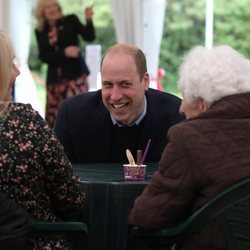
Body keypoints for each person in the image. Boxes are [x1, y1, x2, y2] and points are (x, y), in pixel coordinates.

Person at [128, 45, 250, 250]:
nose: (181, 107)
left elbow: (147, 216)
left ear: (203, 104)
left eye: (186, 98)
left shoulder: (189, 137)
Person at [0, 30, 85, 249]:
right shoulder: (24, 121)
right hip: (33, 241)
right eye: (10, 64)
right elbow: (71, 198)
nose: (17, 72)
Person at [54, 43, 184, 163]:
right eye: (108, 85)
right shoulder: (73, 116)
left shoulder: (177, 118)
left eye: (125, 84)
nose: (115, 96)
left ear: (145, 81)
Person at [34, 0, 96, 127]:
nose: (52, 9)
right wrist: (64, 53)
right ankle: (56, 144)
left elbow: (89, 37)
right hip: (54, 80)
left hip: (75, 76)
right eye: (48, 7)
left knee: (79, 110)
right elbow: (43, 56)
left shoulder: (71, 20)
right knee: (55, 116)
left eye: (54, 5)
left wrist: (89, 20)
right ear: (42, 12)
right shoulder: (40, 30)